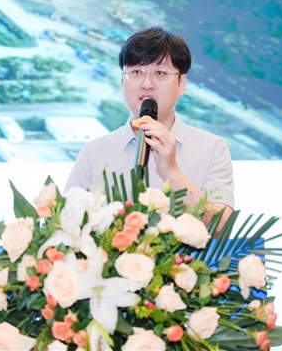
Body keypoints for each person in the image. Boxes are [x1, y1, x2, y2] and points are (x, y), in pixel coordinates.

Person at [65, 27, 234, 227]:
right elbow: (65, 225)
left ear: (181, 83)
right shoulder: (94, 153)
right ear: (122, 82)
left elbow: (220, 228)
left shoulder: (212, 148)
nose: (147, 84)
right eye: (136, 72)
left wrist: (172, 173)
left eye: (160, 73)